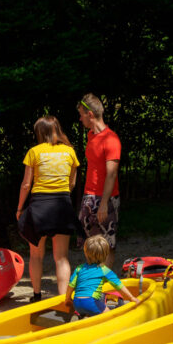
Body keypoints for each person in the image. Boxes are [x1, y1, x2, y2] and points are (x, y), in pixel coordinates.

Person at [16, 116, 79, 301]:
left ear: (40, 132)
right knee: (61, 258)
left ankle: (36, 296)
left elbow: (26, 185)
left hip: (39, 207)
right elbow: (72, 183)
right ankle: (63, 300)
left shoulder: (33, 152)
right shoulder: (70, 152)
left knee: (35, 255)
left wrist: (20, 208)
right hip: (62, 206)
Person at [76, 94, 122, 268]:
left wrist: (104, 203)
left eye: (81, 114)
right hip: (89, 195)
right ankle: (94, 280)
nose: (80, 119)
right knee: (89, 243)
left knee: (107, 243)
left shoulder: (111, 139)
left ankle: (104, 286)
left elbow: (111, 174)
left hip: (106, 198)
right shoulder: (90, 136)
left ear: (90, 115)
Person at [65, 235, 139, 317]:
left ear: (85, 253)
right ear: (106, 254)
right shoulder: (104, 270)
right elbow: (118, 285)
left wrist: (67, 299)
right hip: (90, 302)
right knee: (109, 316)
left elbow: (71, 285)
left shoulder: (79, 268)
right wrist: (131, 297)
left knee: (94, 308)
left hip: (77, 303)